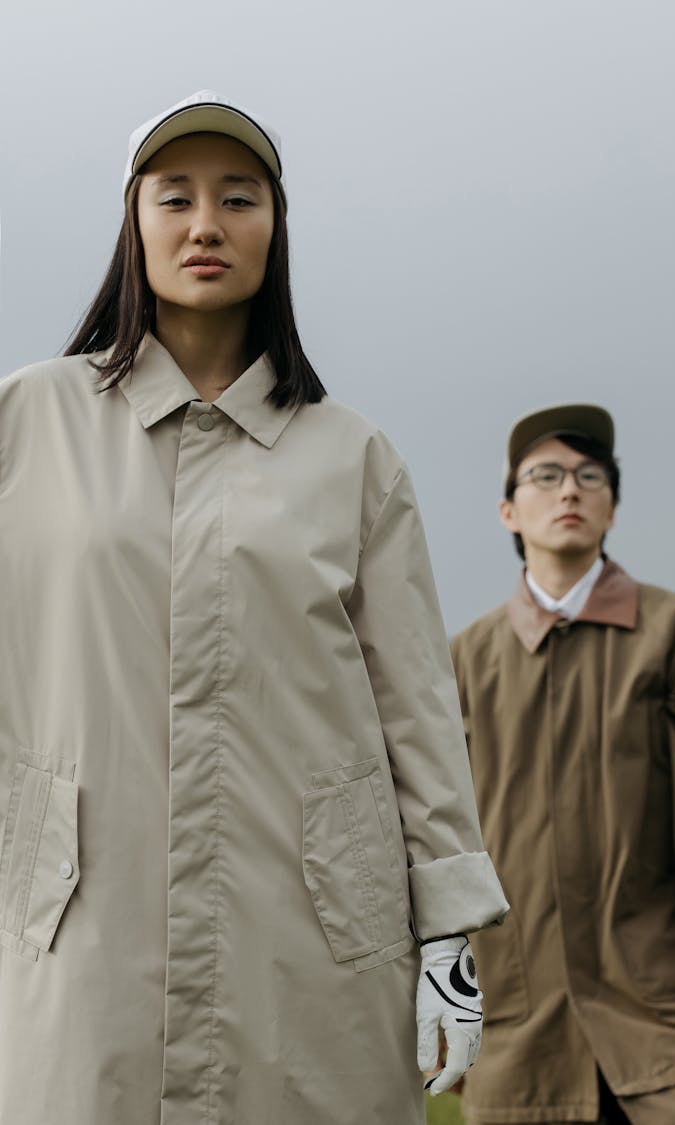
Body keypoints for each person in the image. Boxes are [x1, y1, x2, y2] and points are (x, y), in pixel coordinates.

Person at [0, 91, 509, 1125]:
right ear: (132, 222)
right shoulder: (28, 421)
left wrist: (449, 927)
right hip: (74, 923)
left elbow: (414, 702)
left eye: (239, 199)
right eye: (173, 197)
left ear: (275, 232)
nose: (205, 225)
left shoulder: (351, 457)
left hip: (308, 929)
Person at [450, 403, 675, 1124]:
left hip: (669, 1007)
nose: (569, 491)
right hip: (519, 1025)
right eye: (545, 476)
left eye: (590, 476)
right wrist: (438, 984)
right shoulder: (464, 660)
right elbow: (435, 834)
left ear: (612, 506)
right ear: (507, 511)